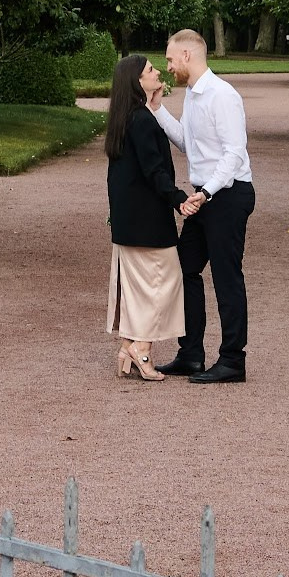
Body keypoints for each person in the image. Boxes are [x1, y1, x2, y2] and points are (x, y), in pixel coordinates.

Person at [152, 28, 254, 383]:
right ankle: (191, 354)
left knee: (226, 277)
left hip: (228, 195)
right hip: (206, 196)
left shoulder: (222, 95)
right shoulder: (193, 96)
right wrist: (157, 109)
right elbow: (188, 143)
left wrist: (207, 192)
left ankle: (233, 361)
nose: (168, 67)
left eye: (170, 59)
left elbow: (234, 153)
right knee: (184, 268)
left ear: (187, 55)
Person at [104, 54, 184, 381]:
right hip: (147, 221)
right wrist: (179, 199)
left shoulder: (126, 118)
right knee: (165, 282)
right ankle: (142, 347)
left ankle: (129, 347)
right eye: (151, 69)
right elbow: (154, 170)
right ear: (137, 81)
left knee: (140, 288)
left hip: (129, 219)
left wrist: (154, 105)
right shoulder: (140, 121)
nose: (158, 72)